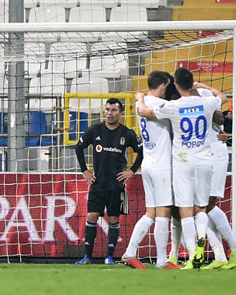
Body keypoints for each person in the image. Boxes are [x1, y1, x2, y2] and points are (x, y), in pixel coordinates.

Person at [136, 67, 228, 269]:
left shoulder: (172, 106)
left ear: (176, 85)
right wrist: (204, 86)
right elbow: (222, 97)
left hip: (181, 162)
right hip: (204, 160)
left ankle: (192, 254)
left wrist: (139, 98)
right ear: (192, 82)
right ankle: (202, 242)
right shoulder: (206, 102)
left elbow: (144, 111)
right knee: (202, 208)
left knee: (184, 211)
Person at [121, 71, 181, 269]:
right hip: (162, 165)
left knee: (150, 213)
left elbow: (143, 109)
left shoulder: (142, 101)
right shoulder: (162, 105)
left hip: (147, 164)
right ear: (163, 84)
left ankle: (130, 252)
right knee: (163, 212)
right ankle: (162, 261)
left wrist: (139, 98)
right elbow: (149, 112)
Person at [74, 98, 143, 265]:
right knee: (91, 216)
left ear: (121, 113)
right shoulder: (95, 130)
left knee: (113, 219)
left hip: (116, 185)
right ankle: (88, 257)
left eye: (113, 110)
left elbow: (141, 152)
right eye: (107, 110)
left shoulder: (127, 133)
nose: (109, 113)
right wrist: (84, 170)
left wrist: (131, 171)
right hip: (98, 183)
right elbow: (78, 147)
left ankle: (109, 257)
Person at [196, 89, 236, 269]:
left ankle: (235, 248)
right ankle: (221, 255)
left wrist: (200, 92)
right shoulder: (181, 101)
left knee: (205, 206)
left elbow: (220, 119)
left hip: (215, 155)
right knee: (200, 208)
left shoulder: (201, 94)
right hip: (201, 157)